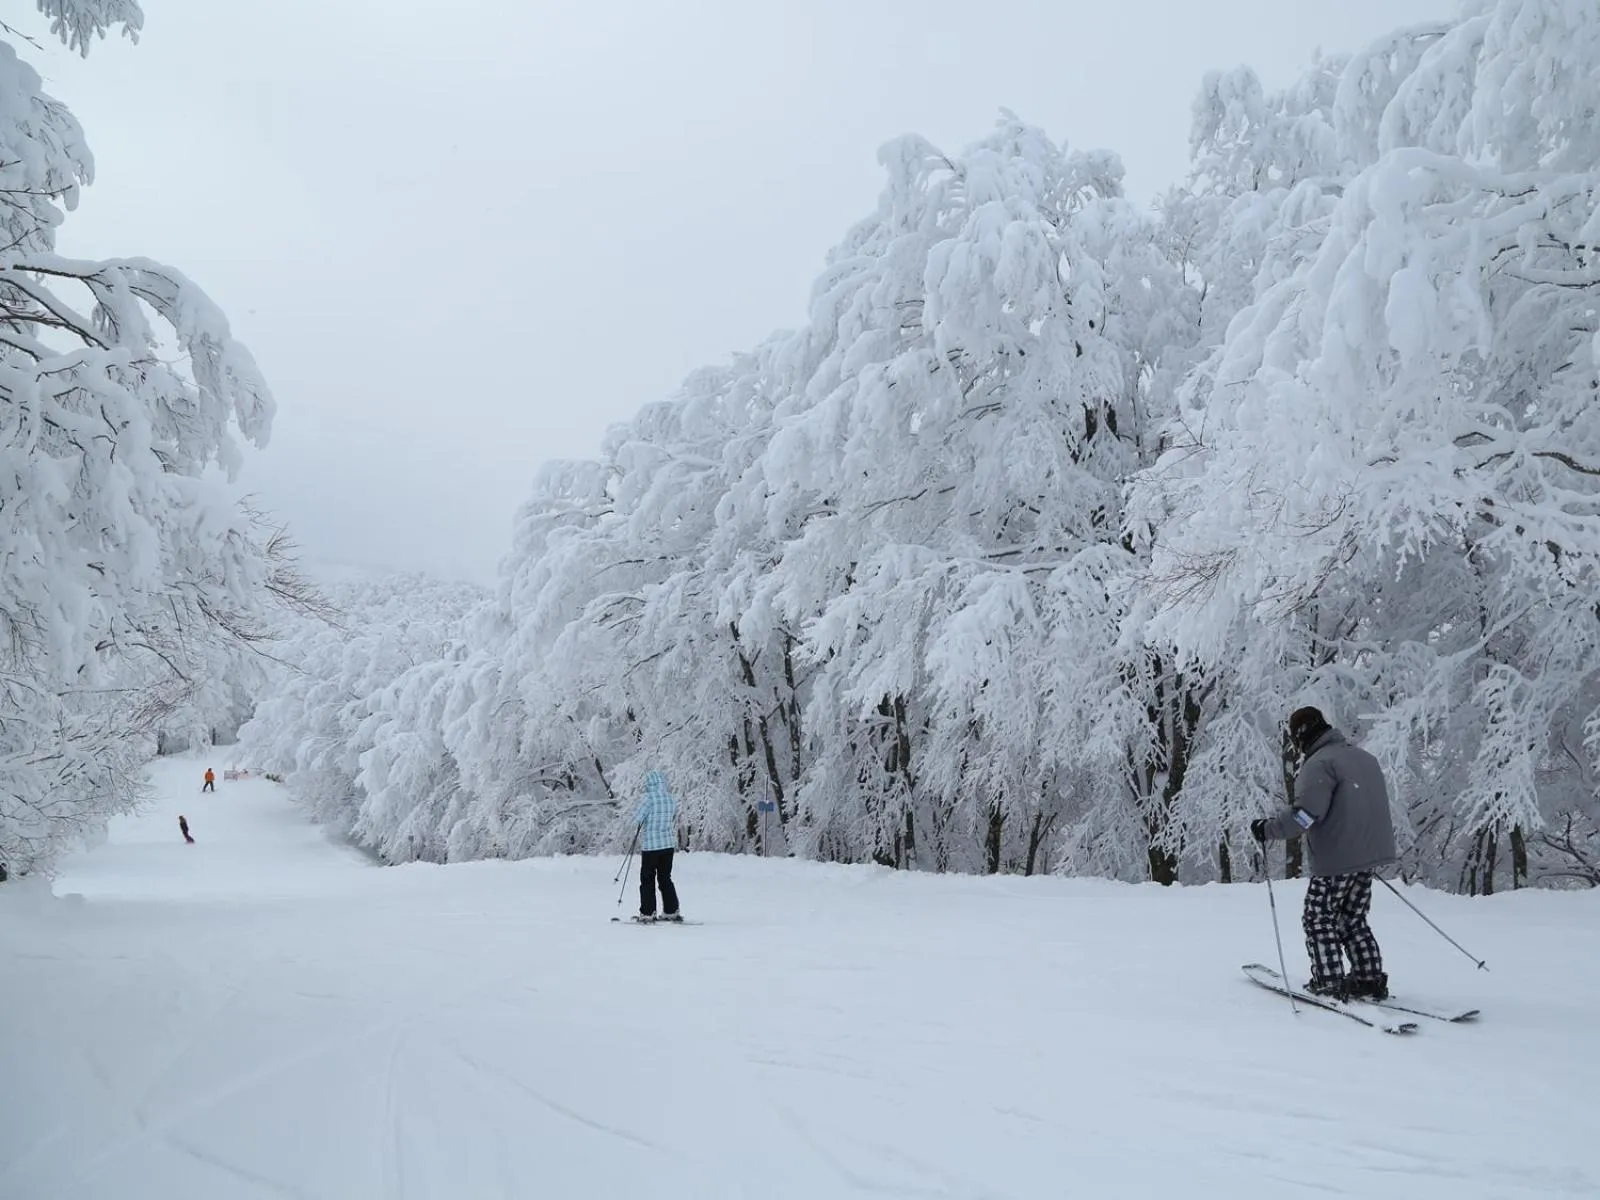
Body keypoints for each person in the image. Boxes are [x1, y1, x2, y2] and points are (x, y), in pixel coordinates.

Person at [1251, 706, 1397, 1001]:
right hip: (1370, 854)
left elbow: (1305, 815)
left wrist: (1268, 829)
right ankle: (1369, 979)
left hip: (1337, 859)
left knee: (1318, 917)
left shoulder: (1319, 764)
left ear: (1301, 736)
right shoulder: (1363, 758)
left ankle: (1328, 981)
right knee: (1352, 918)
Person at [634, 769, 682, 922]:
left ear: (649, 784)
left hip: (651, 846)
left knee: (647, 879)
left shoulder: (648, 798)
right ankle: (671, 910)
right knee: (665, 878)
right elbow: (672, 817)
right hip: (668, 845)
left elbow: (638, 818)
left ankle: (648, 912)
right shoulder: (670, 798)